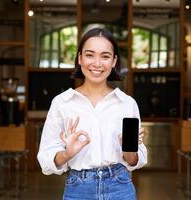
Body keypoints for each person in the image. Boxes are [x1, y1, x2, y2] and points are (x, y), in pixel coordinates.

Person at [37, 27, 147, 200]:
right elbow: (46, 159)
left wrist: (128, 148)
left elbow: (134, 161)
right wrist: (67, 153)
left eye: (105, 56)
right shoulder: (62, 103)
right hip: (78, 189)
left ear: (113, 61)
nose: (97, 63)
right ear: (80, 58)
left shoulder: (127, 104)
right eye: (90, 55)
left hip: (120, 188)